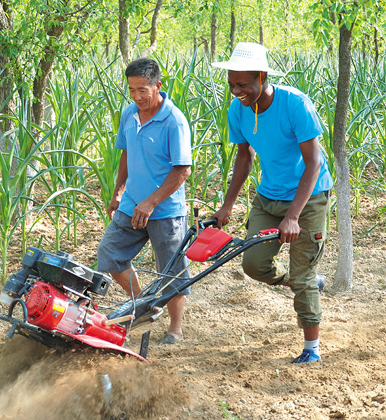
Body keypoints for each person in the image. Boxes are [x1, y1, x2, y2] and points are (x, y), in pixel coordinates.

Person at [211, 43, 333, 363]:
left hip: (308, 198)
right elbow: (243, 157)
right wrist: (227, 206)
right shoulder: (238, 109)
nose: (236, 91)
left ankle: (311, 350)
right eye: (232, 84)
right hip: (268, 197)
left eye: (243, 84)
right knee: (253, 264)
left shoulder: (295, 105)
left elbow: (314, 163)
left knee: (303, 275)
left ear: (262, 77)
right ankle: (302, 279)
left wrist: (293, 216)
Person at [97, 58, 192, 345]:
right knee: (110, 255)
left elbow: (182, 170)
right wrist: (117, 191)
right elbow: (125, 153)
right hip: (132, 203)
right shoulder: (130, 114)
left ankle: (176, 328)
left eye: (143, 90)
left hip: (165, 210)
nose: (137, 96)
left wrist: (151, 203)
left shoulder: (174, 121)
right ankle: (144, 304)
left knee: (172, 271)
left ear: (157, 86)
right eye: (132, 90)